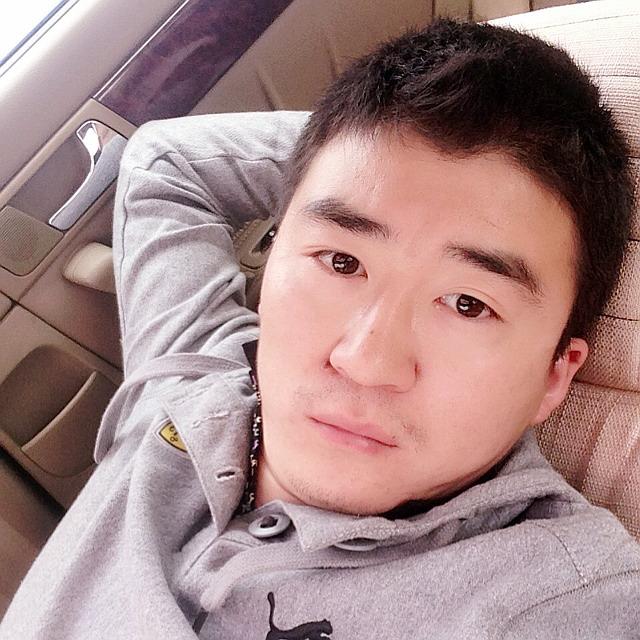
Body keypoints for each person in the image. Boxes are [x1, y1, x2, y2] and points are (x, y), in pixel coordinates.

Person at [2, 15, 639, 640]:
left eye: (468, 304)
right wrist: (357, 139)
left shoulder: (566, 597)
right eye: (341, 261)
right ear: (278, 248)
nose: (364, 360)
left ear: (554, 378)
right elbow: (166, 161)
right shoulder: (190, 364)